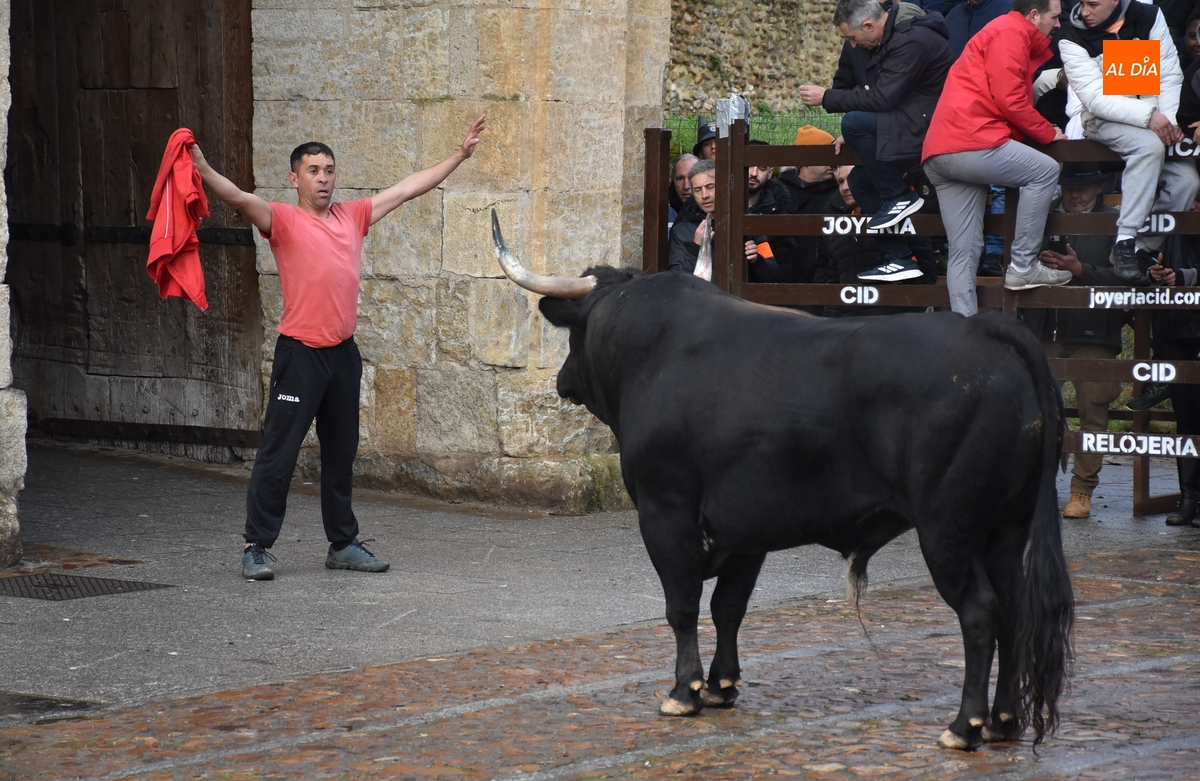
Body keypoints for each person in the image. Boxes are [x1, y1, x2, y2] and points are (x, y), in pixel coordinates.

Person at [190, 115, 487, 580]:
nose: (323, 178)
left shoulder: (354, 216)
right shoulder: (282, 220)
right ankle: (257, 546)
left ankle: (342, 543)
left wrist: (459, 155)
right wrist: (203, 169)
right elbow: (238, 196)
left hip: (342, 356)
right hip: (300, 356)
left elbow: (409, 188)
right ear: (295, 179)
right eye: (313, 170)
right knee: (279, 452)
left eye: (329, 170)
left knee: (341, 452)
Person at [922, 0, 1072, 316]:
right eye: (1055, 17)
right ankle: (1023, 264)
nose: (1058, 25)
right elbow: (1011, 100)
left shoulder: (1001, 30)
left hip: (939, 150)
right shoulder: (1010, 31)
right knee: (1044, 170)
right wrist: (1048, 133)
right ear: (1034, 15)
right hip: (970, 141)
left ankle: (965, 330)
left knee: (964, 250)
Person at [798, 0, 954, 282]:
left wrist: (827, 98)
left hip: (930, 126)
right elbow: (854, 88)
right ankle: (899, 258)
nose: (853, 45)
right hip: (902, 123)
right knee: (859, 181)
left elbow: (884, 97)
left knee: (853, 122)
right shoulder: (872, 41)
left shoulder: (913, 38)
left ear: (869, 25)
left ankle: (899, 195)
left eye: (852, 37)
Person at [1059, 0, 1200, 284]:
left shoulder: (1149, 15)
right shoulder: (1069, 33)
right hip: (1102, 119)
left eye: (1092, 3)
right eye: (1081, 2)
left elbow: (1169, 74)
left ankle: (1140, 249)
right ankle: (1124, 241)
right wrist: (1150, 117)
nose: (1084, 11)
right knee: (1147, 147)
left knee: (1187, 182)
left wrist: (1169, 122)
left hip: (1154, 121)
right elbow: (1095, 98)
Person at [1023, 163, 1124, 519]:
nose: (1076, 194)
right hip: (1047, 329)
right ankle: (1037, 488)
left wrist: (1081, 271)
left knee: (1093, 409)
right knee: (1038, 411)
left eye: (1084, 187)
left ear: (1099, 187)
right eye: (1069, 186)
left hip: (1096, 331)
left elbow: (1129, 277)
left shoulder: (1116, 221)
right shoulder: (1043, 216)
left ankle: (1081, 490)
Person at [815, 165, 938, 315]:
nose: (846, 187)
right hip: (848, 326)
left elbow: (927, 270)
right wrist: (831, 318)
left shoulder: (902, 219)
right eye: (841, 181)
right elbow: (833, 279)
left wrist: (906, 313)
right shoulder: (838, 226)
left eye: (851, 180)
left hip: (891, 325)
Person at [1149, 236, 1200, 527]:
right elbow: (1142, 262)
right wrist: (1152, 272)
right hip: (1175, 331)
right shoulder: (1166, 229)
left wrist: (1184, 276)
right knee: (1186, 419)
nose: (1192, 205)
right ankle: (1189, 499)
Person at [668, 159, 782, 280]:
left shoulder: (747, 225)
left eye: (710, 187)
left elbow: (774, 274)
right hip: (699, 298)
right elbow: (675, 280)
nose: (704, 195)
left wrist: (757, 260)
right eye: (697, 190)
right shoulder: (681, 230)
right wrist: (695, 247)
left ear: (724, 187)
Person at [777, 126, 840, 283]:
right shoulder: (779, 190)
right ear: (806, 159)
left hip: (823, 282)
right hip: (783, 279)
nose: (832, 163)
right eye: (826, 155)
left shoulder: (838, 193)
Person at [667, 154, 699, 232]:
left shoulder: (713, 212)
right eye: (680, 179)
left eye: (691, 177)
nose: (686, 186)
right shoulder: (663, 214)